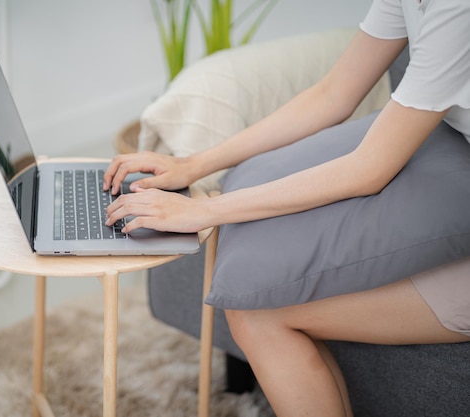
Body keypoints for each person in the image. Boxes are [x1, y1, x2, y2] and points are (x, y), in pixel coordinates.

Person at [104, 1, 470, 416]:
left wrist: (204, 211)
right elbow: (333, 94)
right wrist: (194, 164)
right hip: (449, 165)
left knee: (259, 314)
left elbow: (369, 169)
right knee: (256, 290)